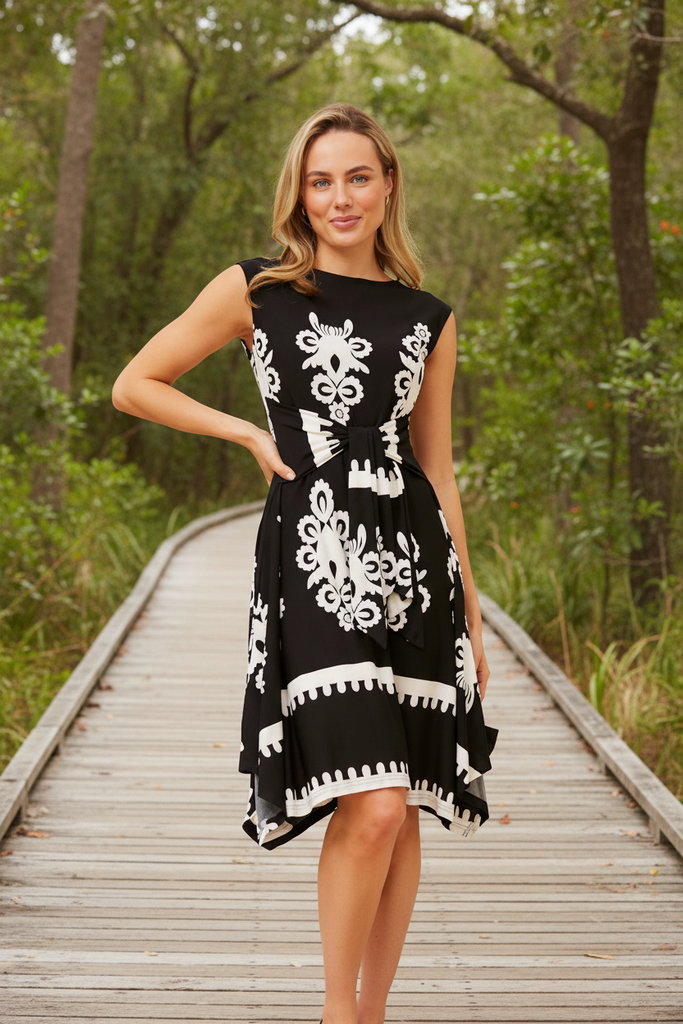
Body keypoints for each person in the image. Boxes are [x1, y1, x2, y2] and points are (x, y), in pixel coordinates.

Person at [113, 102, 496, 1024]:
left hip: (414, 575)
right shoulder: (257, 291)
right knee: (372, 803)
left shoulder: (427, 319)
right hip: (314, 560)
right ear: (300, 191)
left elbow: (438, 473)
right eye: (321, 181)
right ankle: (335, 1012)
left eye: (357, 177)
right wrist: (247, 431)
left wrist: (474, 618)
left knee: (402, 805)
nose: (339, 197)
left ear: (388, 184)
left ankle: (370, 1013)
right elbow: (135, 384)